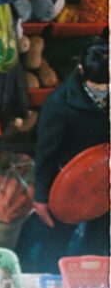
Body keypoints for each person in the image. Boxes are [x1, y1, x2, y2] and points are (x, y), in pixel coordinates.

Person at [18, 38, 109, 274]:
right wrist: (41, 197)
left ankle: (92, 279)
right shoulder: (60, 106)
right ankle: (47, 276)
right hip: (69, 183)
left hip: (105, 178)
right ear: (80, 69)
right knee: (55, 240)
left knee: (100, 240)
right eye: (97, 85)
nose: (102, 90)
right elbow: (46, 153)